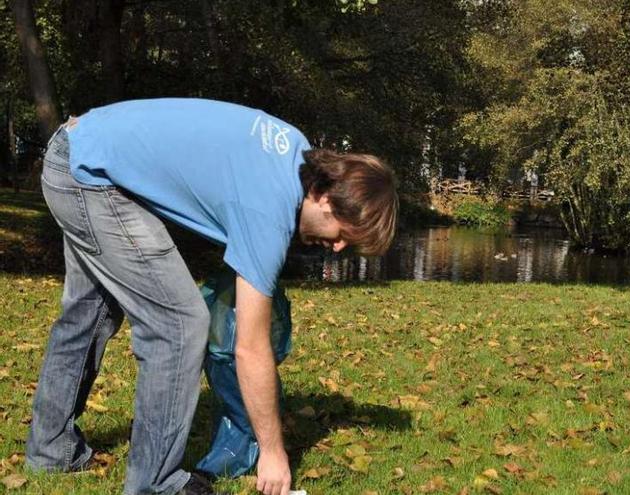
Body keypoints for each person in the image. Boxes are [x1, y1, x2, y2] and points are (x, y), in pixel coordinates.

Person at [24, 98, 398, 495]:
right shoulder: (268, 210)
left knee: (90, 312)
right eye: (342, 233)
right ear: (325, 197)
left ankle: (51, 451)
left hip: (80, 147)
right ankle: (155, 485)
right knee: (180, 324)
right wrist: (272, 451)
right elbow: (250, 348)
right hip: (90, 175)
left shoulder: (297, 155)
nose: (338, 248)